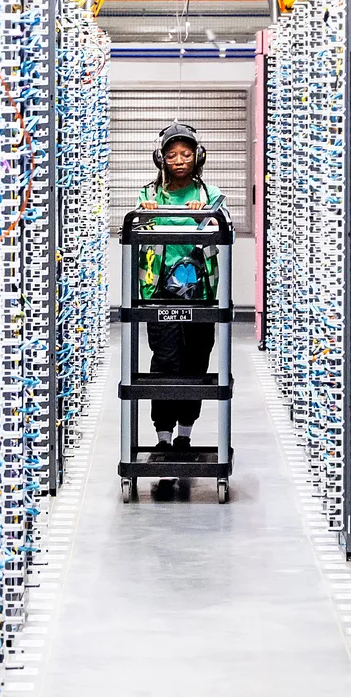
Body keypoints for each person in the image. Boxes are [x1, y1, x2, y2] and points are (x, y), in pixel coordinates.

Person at [136, 121, 225, 453]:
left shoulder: (210, 195)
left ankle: (185, 434)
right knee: (165, 360)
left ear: (197, 157)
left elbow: (221, 224)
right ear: (161, 158)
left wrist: (210, 216)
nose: (179, 160)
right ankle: (163, 435)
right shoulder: (149, 194)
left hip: (201, 294)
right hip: (159, 292)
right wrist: (146, 214)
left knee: (196, 361)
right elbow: (138, 228)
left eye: (186, 153)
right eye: (172, 154)